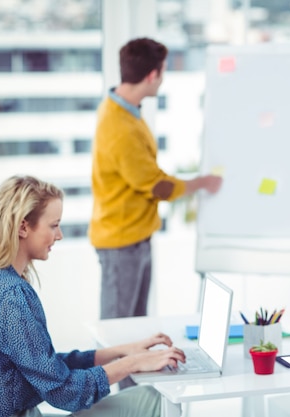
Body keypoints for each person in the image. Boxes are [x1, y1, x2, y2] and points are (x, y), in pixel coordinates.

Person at [0, 175, 187, 417]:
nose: (60, 235)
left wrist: (122, 351)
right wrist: (133, 363)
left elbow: (46, 366)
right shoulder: (11, 296)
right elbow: (64, 392)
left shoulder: (0, 281)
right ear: (23, 227)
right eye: (53, 225)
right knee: (152, 401)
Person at [89, 37, 222, 322]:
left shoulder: (125, 110)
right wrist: (201, 182)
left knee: (134, 324)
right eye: (163, 72)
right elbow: (158, 187)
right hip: (121, 241)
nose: (162, 79)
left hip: (133, 235)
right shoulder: (120, 127)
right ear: (152, 75)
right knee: (118, 328)